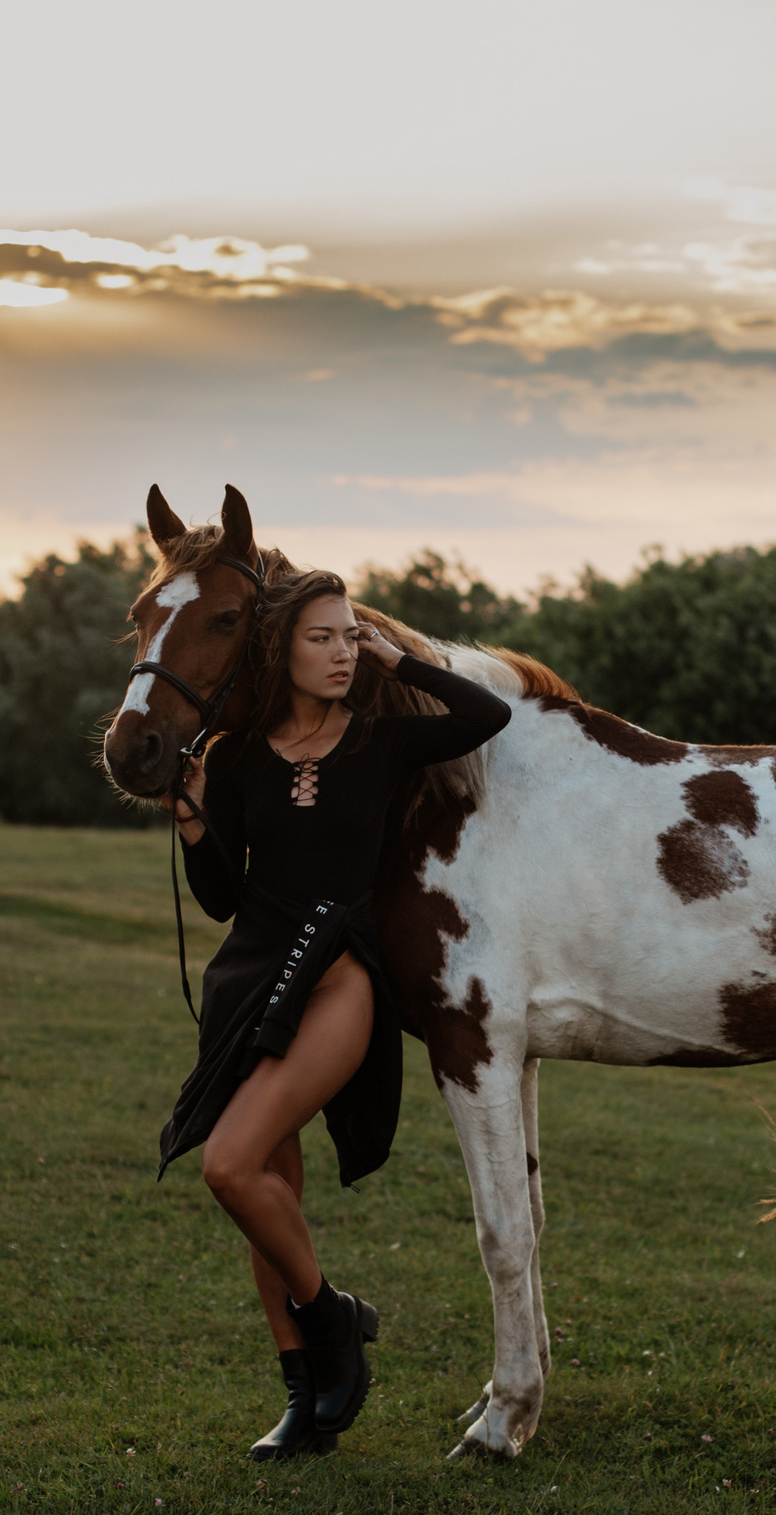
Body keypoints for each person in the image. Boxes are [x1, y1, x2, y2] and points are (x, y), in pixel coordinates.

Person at [161, 567, 510, 1459]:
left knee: (230, 1168)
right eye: (324, 636)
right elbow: (222, 897)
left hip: (340, 972)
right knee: (268, 1188)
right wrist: (199, 826)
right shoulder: (236, 757)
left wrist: (406, 660)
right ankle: (305, 1399)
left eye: (352, 636)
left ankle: (333, 1320)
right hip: (250, 975)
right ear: (282, 647)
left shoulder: (382, 741)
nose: (343, 652)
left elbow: (485, 717)